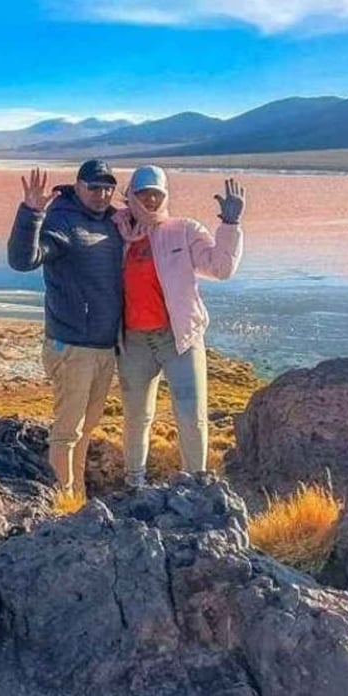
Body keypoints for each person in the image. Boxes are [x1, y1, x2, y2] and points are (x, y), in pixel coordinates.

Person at [114, 165, 245, 488]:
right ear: (130, 195)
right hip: (134, 342)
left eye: (157, 195)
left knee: (191, 414)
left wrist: (230, 225)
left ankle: (195, 485)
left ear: (165, 197)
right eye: (143, 194)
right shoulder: (115, 234)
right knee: (136, 417)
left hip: (179, 338)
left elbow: (221, 268)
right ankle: (134, 483)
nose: (150, 202)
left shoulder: (183, 230)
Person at [7, 158, 124, 497]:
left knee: (86, 428)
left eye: (107, 187)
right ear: (79, 185)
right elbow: (22, 260)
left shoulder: (113, 223)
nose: (101, 194)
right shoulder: (62, 218)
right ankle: (61, 501)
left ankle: (79, 497)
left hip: (104, 346)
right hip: (72, 346)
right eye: (93, 187)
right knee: (67, 431)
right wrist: (30, 214)